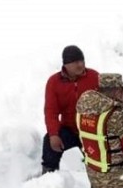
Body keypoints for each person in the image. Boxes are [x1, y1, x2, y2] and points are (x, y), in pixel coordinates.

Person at [42, 45, 99, 174]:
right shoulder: (54, 82)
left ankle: (101, 182)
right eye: (76, 62)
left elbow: (108, 101)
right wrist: (54, 134)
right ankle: (49, 178)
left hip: (91, 129)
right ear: (66, 65)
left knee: (98, 163)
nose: (80, 65)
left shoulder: (94, 77)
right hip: (69, 129)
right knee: (49, 143)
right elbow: (51, 111)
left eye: (82, 61)